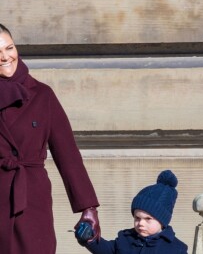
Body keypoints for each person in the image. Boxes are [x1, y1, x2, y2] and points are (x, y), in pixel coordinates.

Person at [0, 23, 100, 254]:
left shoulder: (42, 95)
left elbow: (68, 155)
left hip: (32, 201)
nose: (6, 57)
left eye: (10, 48)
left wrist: (88, 208)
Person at [76, 169, 188, 254]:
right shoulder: (126, 239)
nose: (141, 223)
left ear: (163, 221)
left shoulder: (176, 248)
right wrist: (89, 238)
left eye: (148, 219)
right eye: (137, 218)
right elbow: (106, 250)